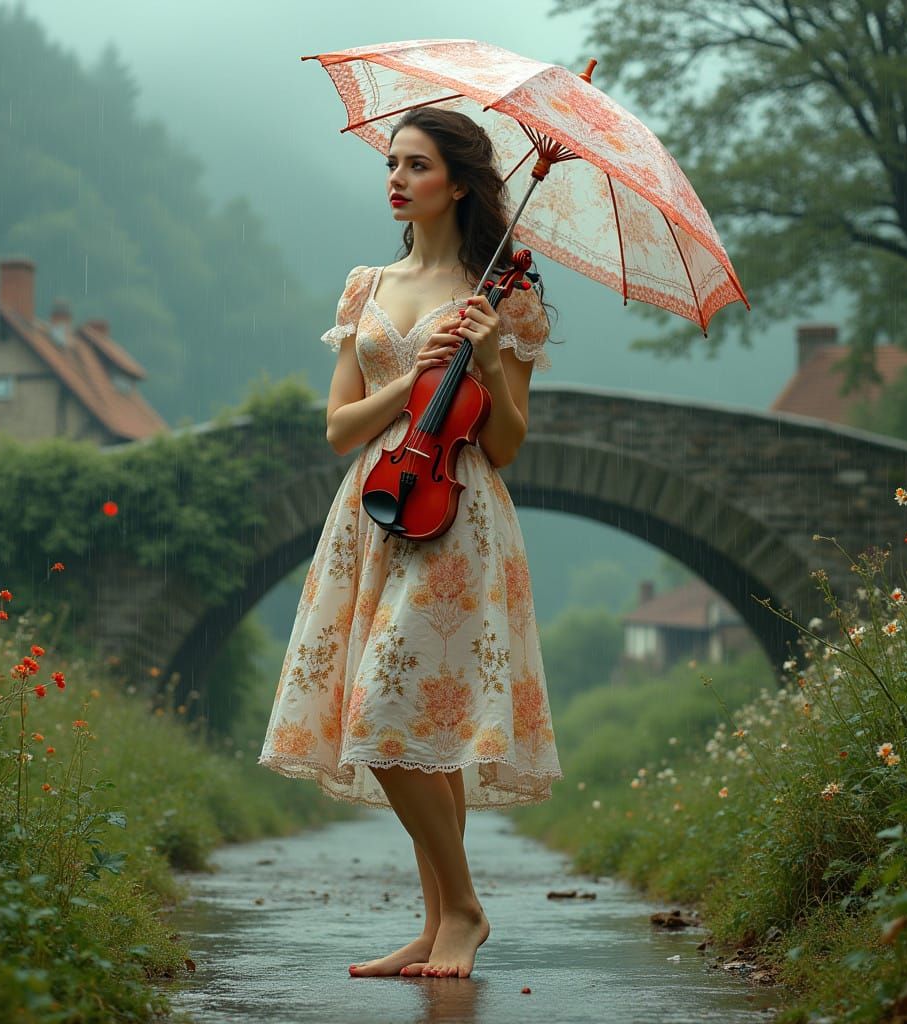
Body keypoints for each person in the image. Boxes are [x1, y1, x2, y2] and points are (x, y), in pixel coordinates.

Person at [259, 107, 562, 980]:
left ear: (459, 184)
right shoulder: (368, 286)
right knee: (420, 726)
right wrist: (415, 377)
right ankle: (439, 926)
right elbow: (338, 427)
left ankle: (462, 910)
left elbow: (505, 444)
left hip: (460, 516)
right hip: (375, 508)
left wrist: (490, 349)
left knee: (390, 717)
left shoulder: (504, 294)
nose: (395, 176)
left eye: (417, 165)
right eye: (392, 161)